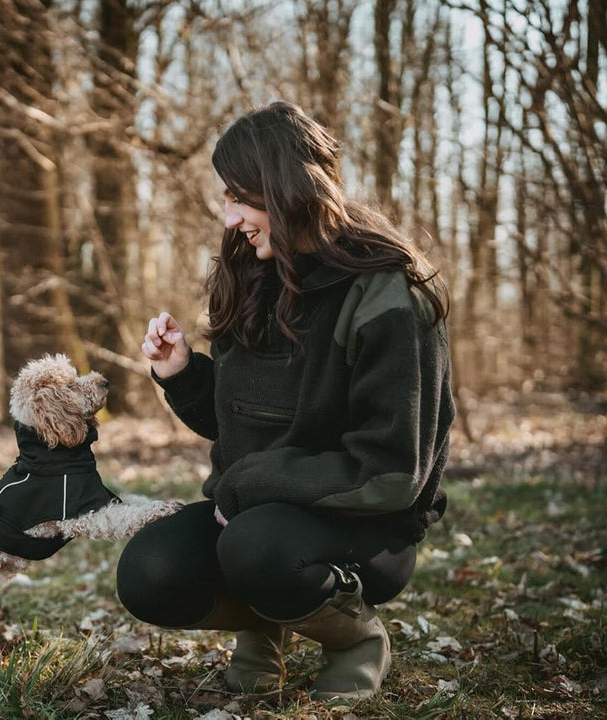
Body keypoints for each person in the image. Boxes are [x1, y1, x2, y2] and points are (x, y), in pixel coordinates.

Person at [116, 101, 455, 700]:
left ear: (287, 189)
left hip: (368, 529)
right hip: (260, 516)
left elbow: (393, 472)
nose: (231, 218)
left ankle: (355, 637)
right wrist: (181, 374)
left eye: (240, 198)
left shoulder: (389, 292)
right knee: (149, 572)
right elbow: (240, 425)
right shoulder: (255, 275)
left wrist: (249, 485)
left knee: (256, 545)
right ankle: (268, 618)